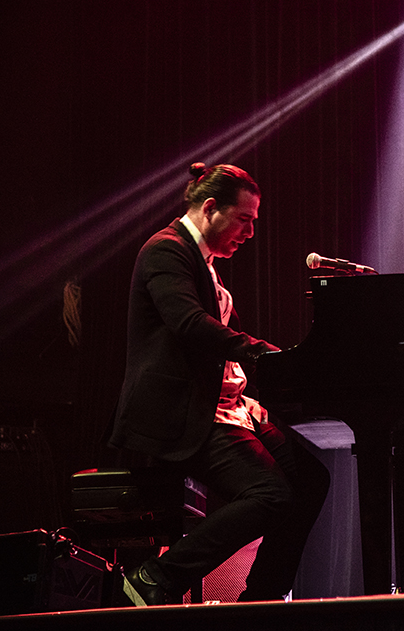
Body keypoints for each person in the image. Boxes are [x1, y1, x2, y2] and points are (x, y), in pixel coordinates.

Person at [109, 162, 330, 605]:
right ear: (210, 208)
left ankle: (262, 599)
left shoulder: (203, 263)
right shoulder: (165, 250)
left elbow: (220, 341)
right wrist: (262, 353)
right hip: (182, 412)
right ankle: (156, 576)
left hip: (222, 406)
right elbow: (190, 324)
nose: (250, 232)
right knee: (270, 494)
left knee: (311, 480)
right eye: (244, 219)